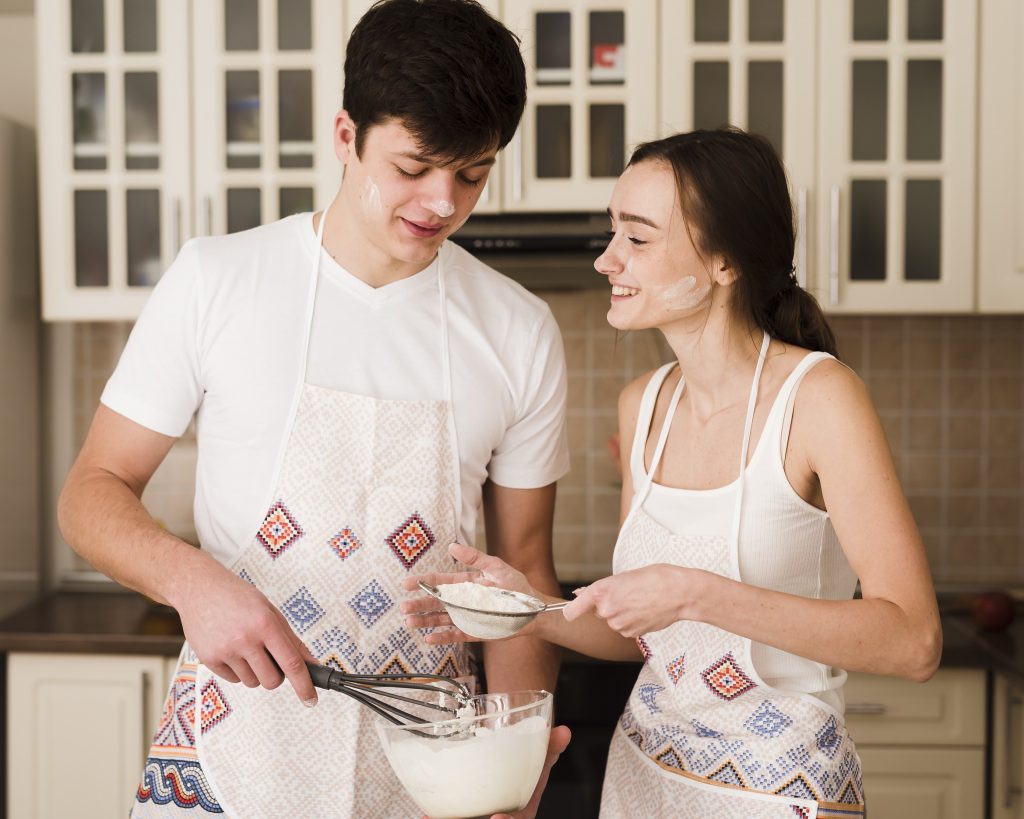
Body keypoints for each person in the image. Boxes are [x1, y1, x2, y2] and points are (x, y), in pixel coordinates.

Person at [58, 1, 572, 816]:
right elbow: (92, 491)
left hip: (432, 776)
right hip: (230, 757)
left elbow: (526, 577)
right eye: (413, 167)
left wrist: (510, 764)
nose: (442, 202)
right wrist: (192, 580)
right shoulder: (216, 280)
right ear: (345, 136)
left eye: (472, 173)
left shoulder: (518, 330)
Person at [404, 127, 943, 817]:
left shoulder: (819, 397)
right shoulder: (645, 405)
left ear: (723, 262)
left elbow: (914, 640)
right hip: (647, 779)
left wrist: (697, 592)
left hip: (781, 790)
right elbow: (643, 633)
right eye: (611, 233)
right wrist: (528, 613)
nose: (606, 260)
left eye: (637, 237)